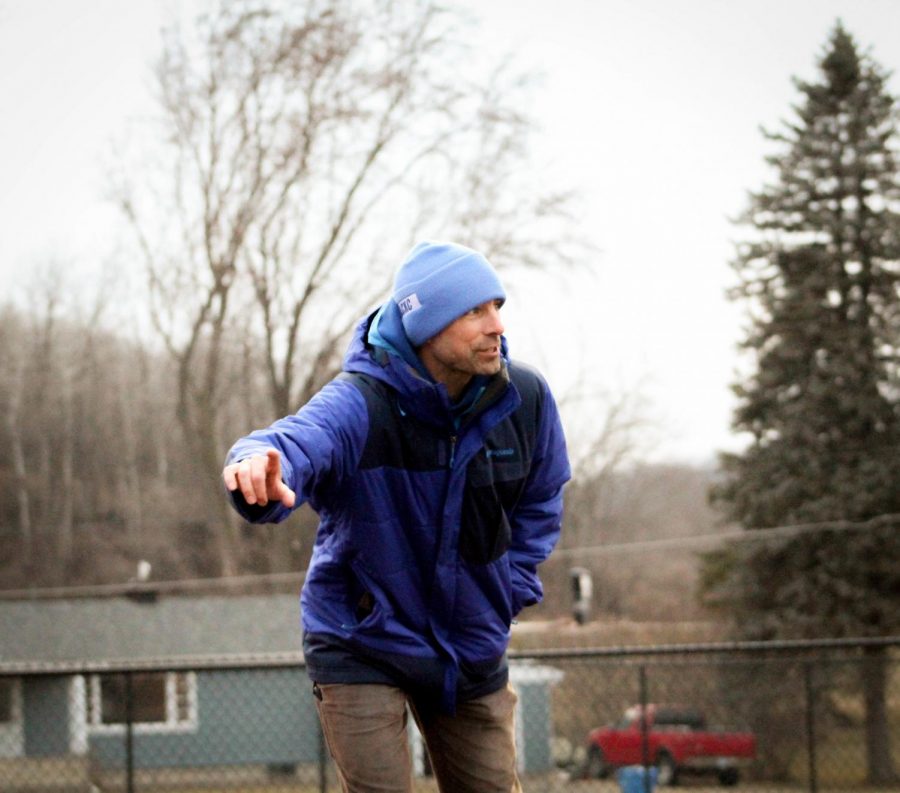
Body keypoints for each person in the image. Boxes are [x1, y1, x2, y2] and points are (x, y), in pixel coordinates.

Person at [223, 241, 570, 793]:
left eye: (497, 306)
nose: (497, 325)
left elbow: (542, 497)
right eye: (475, 311)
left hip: (470, 640)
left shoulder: (522, 398)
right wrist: (257, 467)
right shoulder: (362, 403)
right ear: (426, 325)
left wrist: (508, 586)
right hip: (363, 637)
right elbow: (296, 440)